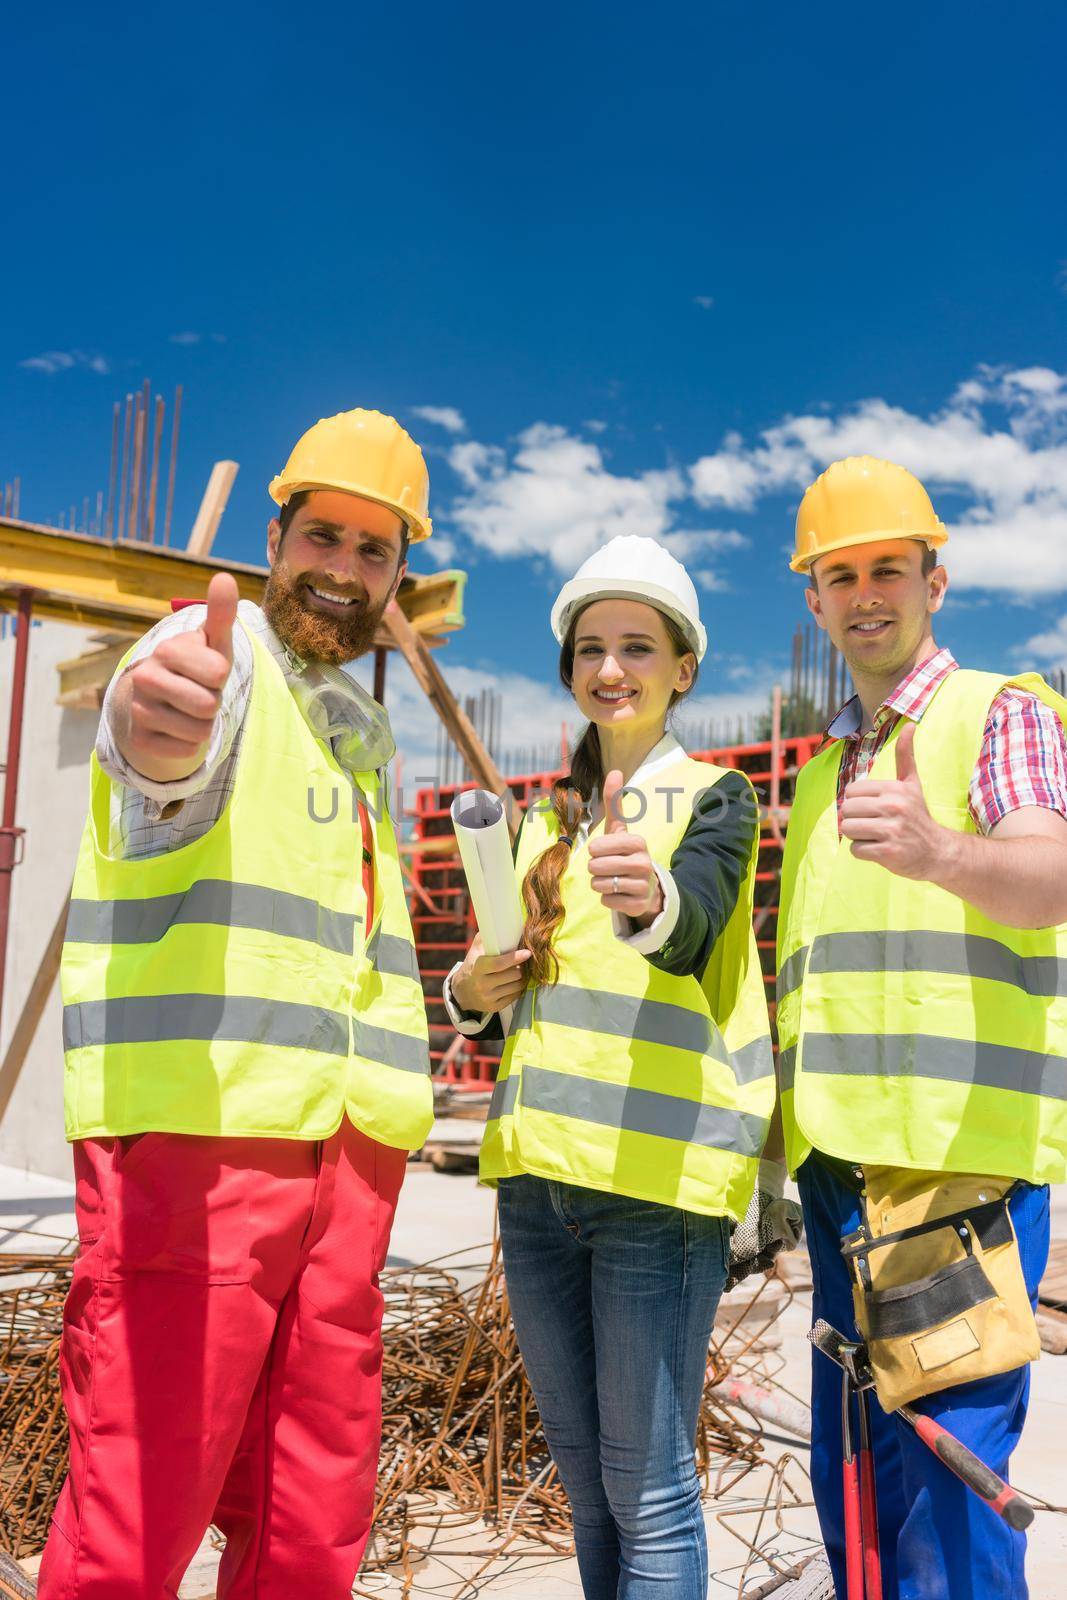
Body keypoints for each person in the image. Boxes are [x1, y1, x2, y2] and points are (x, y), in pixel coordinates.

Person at [40, 410, 435, 1599]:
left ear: (399, 575)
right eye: (323, 535)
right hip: (200, 1148)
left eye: (375, 553)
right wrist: (149, 722)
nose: (344, 569)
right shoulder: (210, 658)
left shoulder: (355, 730)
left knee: (310, 1519)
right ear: (275, 538)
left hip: (349, 1159)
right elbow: (156, 740)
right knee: (139, 1508)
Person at [445, 535, 793, 1599]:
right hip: (538, 1186)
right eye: (591, 647)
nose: (611, 668)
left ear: (681, 668)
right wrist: (471, 991)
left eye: (637, 646)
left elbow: (689, 929)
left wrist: (647, 900)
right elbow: (501, 995)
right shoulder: (537, 819)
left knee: (648, 1490)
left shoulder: (714, 798)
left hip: (653, 1191)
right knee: (586, 1484)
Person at [776, 455, 1067, 1600]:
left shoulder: (997, 712)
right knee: (856, 1496)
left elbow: (1049, 874)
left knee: (946, 1512)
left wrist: (943, 850)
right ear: (811, 599)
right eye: (838, 574)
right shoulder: (814, 779)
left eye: (887, 567)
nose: (863, 594)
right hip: (838, 1173)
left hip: (957, 1176)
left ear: (933, 580)